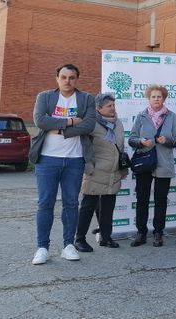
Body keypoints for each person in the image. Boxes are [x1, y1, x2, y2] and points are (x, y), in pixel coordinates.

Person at [29, 64, 96, 265]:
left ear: (77, 79)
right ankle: (42, 247)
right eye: (64, 77)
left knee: (71, 203)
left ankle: (68, 245)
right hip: (47, 159)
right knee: (45, 203)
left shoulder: (87, 99)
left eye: (72, 77)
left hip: (75, 159)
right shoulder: (45, 97)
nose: (68, 81)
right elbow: (40, 121)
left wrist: (59, 128)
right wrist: (70, 122)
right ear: (57, 78)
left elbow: (89, 124)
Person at [128, 85, 176, 248]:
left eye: (159, 96)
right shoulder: (141, 116)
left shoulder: (171, 116)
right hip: (145, 162)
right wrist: (141, 142)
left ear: (164, 99)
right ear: (148, 98)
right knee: (142, 199)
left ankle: (158, 232)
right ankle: (141, 232)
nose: (156, 99)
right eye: (153, 96)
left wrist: (168, 141)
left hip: (164, 164)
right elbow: (131, 139)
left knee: (160, 200)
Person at [73, 93, 128, 252]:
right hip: (95, 171)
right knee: (88, 206)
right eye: (109, 106)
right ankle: (80, 239)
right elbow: (83, 145)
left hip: (113, 172)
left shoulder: (118, 124)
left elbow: (121, 148)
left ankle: (106, 237)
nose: (113, 108)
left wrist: (123, 168)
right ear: (99, 108)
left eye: (114, 105)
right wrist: (87, 165)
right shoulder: (91, 124)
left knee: (108, 207)